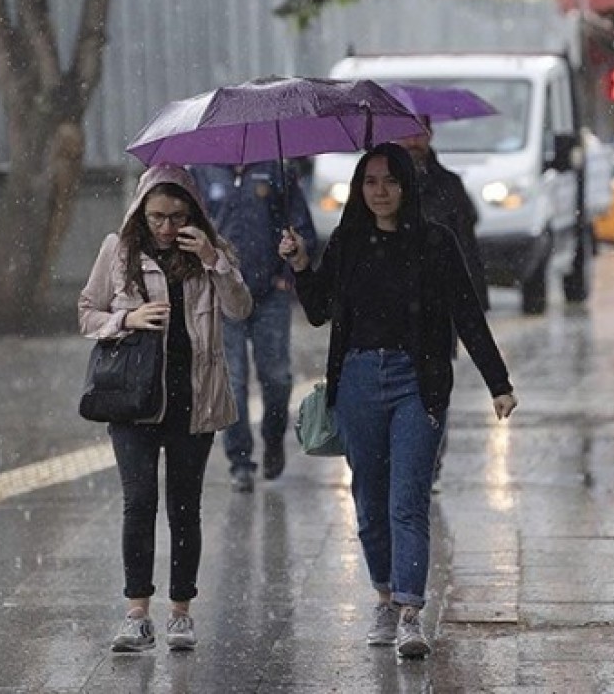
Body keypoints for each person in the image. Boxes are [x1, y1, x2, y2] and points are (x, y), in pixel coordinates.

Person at [278, 142, 517, 659]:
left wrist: (498, 383)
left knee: (407, 499)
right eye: (370, 182)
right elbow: (319, 310)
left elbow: (468, 316)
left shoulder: (436, 242)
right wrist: (300, 264)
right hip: (359, 380)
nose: (380, 192)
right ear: (359, 189)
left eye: (389, 181)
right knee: (369, 500)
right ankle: (384, 597)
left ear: (406, 187)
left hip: (418, 382)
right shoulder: (347, 242)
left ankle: (410, 612)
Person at [78, 163, 253, 653]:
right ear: (140, 211)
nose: (166, 227)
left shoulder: (212, 256)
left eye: (177, 216)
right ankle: (137, 613)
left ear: (194, 214)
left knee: (184, 506)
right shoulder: (118, 251)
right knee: (139, 503)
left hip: (193, 400)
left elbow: (241, 309)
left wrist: (215, 259)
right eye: (157, 216)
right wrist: (127, 317)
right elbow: (86, 313)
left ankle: (180, 612)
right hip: (133, 400)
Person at [191, 161, 318, 493]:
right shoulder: (203, 172)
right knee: (232, 381)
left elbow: (304, 230)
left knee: (277, 377)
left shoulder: (277, 169)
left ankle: (273, 437)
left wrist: (286, 273)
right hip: (224, 294)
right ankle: (240, 460)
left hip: (269, 294)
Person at [398, 118, 490, 489]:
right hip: (394, 308)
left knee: (434, 385)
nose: (413, 140)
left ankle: (430, 460)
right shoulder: (384, 187)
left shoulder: (448, 186)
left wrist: (472, 302)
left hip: (438, 308)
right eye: (407, 132)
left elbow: (467, 246)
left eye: (420, 131)